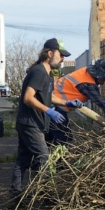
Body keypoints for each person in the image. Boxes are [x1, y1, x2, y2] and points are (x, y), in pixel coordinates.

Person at [10, 38, 82, 199]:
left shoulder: (47, 74)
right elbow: (28, 98)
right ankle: (47, 195)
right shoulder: (38, 72)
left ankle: (16, 196)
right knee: (44, 159)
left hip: (33, 122)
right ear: (50, 53)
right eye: (60, 55)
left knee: (23, 160)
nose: (63, 59)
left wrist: (67, 102)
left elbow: (48, 96)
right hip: (30, 123)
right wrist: (48, 111)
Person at [48, 59, 105, 144]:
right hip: (53, 107)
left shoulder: (86, 72)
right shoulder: (87, 84)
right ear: (98, 75)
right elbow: (101, 103)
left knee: (51, 138)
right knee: (64, 139)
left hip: (52, 103)